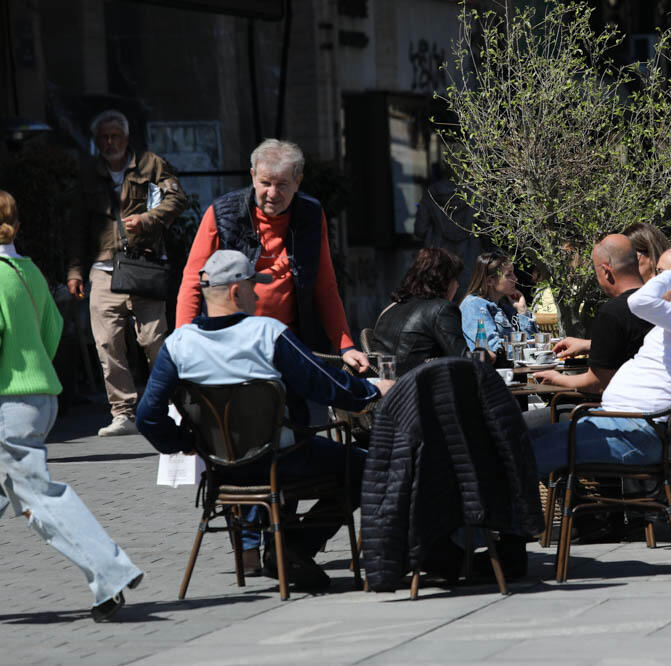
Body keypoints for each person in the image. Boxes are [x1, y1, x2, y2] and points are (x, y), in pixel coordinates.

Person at [137, 250, 388, 589]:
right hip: (281, 459)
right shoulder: (267, 333)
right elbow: (323, 384)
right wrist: (372, 391)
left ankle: (282, 549)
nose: (257, 296)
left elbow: (147, 416)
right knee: (367, 466)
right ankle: (296, 547)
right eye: (253, 287)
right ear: (235, 291)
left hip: (220, 467)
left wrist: (187, 442)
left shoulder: (178, 344)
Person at [0, 190, 143, 621]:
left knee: (39, 497)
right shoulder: (27, 271)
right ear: (16, 226)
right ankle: (109, 572)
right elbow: (52, 329)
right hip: (37, 396)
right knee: (26, 491)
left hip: (9, 402)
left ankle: (110, 571)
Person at [176, 139, 369, 373]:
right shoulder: (222, 213)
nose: (272, 193)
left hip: (290, 343)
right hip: (231, 342)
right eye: (265, 183)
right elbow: (193, 280)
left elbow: (325, 285)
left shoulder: (311, 215)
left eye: (282, 185)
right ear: (253, 176)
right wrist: (183, 340)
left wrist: (345, 346)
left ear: (298, 182)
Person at [529, 246, 671, 477]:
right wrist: (589, 344)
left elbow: (638, 303)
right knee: (525, 442)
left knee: (526, 454)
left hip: (636, 433)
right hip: (626, 425)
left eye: (661, 272)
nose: (654, 279)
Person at [66, 110, 188, 436]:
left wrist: (148, 219)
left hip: (144, 263)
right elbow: (77, 227)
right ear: (96, 141)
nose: (110, 143)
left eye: (115, 136)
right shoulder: (88, 174)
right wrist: (75, 271)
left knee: (154, 340)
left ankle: (170, 402)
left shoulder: (150, 164)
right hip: (103, 268)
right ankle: (122, 413)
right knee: (107, 343)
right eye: (104, 138)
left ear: (126, 137)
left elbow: (178, 198)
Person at [533, 234, 651, 395]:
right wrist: (590, 345)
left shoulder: (612, 313)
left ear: (606, 271)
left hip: (627, 406)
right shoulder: (664, 304)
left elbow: (598, 384)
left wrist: (556, 378)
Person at [371, 248, 467, 375]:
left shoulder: (390, 308)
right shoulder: (443, 309)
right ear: (444, 281)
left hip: (381, 381)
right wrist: (486, 355)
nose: (457, 285)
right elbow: (464, 360)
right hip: (417, 383)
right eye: (455, 279)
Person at [459, 252, 537, 354]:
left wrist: (523, 312)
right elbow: (493, 347)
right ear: (490, 281)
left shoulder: (505, 307)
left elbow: (533, 345)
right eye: (508, 275)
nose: (515, 278)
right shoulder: (474, 306)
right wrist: (525, 350)